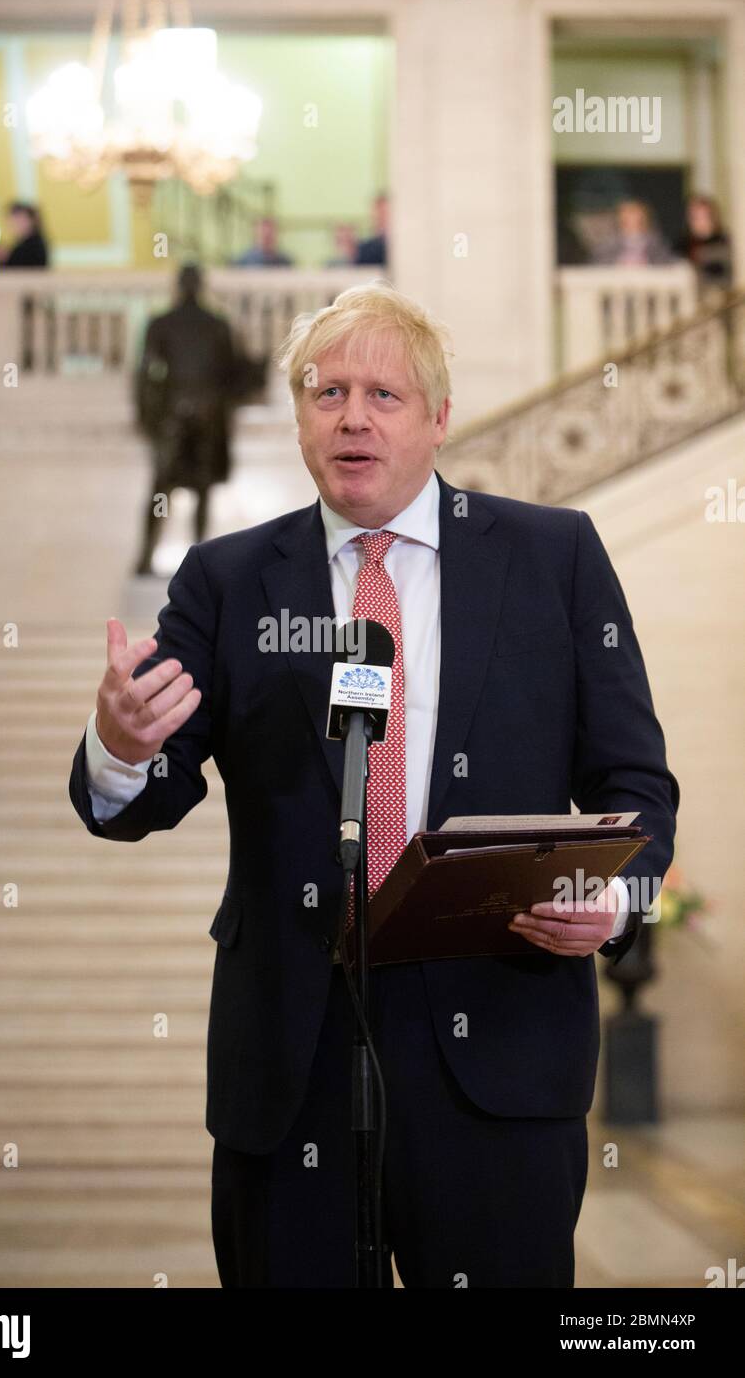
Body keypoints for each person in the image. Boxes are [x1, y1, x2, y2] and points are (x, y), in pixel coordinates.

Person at [69, 281, 678, 1288]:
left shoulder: (550, 558)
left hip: (498, 1054)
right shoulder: (226, 582)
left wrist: (607, 898)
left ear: (438, 418)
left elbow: (634, 785)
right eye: (326, 391)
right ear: (300, 417)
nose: (352, 416)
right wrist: (119, 740)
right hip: (290, 1060)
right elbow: (144, 795)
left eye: (384, 395)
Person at [133, 264, 259, 572]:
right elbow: (233, 374)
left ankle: (149, 557)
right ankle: (190, 557)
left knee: (163, 488)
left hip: (175, 418)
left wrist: (147, 417)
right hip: (205, 416)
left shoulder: (163, 323)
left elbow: (146, 375)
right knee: (197, 489)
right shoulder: (215, 324)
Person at [674, 194, 733, 294]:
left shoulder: (722, 240)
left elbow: (722, 272)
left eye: (704, 216)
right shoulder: (683, 242)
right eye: (696, 217)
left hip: (715, 293)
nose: (700, 222)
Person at [592, 199, 673, 266]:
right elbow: (597, 265)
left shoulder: (656, 243)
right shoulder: (607, 244)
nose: (631, 218)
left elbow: (666, 263)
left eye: (634, 213)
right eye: (626, 213)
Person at [0, 201, 49, 268]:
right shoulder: (23, 244)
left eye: (19, 220)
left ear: (31, 220)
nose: (15, 224)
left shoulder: (33, 246)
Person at [356, 192, 388, 266]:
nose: (382, 217)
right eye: (379, 213)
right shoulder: (364, 249)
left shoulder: (405, 244)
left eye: (385, 213)